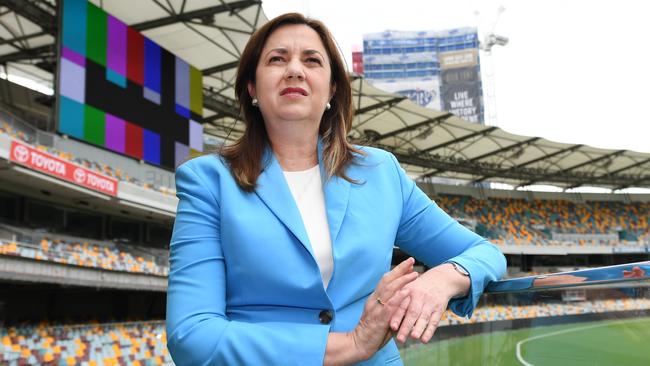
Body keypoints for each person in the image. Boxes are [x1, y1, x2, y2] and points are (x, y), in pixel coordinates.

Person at [166, 12, 506, 366]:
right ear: (252, 87)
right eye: (276, 59)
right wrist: (352, 345)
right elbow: (192, 335)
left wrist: (442, 279)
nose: (295, 69)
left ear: (331, 89)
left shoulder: (381, 173)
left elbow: (485, 253)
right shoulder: (207, 180)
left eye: (312, 60)